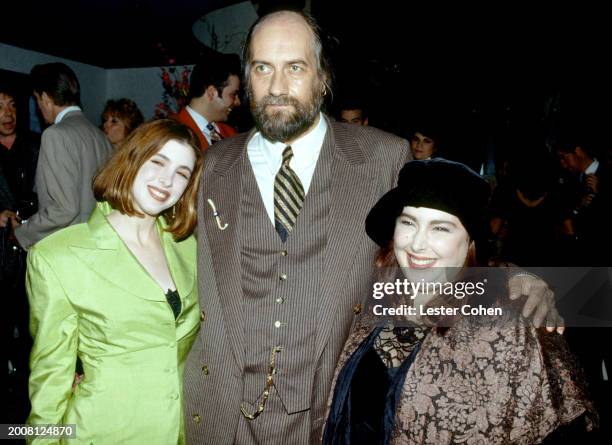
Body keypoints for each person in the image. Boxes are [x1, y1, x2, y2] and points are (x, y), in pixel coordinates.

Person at [183, 10, 561, 444]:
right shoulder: (216, 164)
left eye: (295, 67)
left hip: (327, 415)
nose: (277, 86)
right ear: (247, 77)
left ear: (322, 77)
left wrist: (509, 280)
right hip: (220, 415)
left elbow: (425, 251)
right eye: (262, 67)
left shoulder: (383, 157)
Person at [324, 158, 597, 444]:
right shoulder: (380, 298)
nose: (417, 244)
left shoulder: (510, 329)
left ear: (470, 242)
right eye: (408, 222)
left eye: (440, 228)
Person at [26, 119, 203, 444]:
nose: (167, 180)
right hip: (101, 431)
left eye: (182, 173)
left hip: (181, 431)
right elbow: (49, 377)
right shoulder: (57, 256)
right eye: (158, 162)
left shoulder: (189, 248)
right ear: (131, 160)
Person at [14, 63, 113, 250]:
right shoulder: (100, 136)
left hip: (67, 248)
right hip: (96, 245)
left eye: (36, 99)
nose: (38, 106)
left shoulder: (55, 135)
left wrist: (21, 234)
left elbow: (63, 209)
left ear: (45, 97)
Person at [174, 53, 241, 151]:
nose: (237, 102)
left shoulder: (231, 134)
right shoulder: (171, 134)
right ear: (211, 93)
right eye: (233, 94)